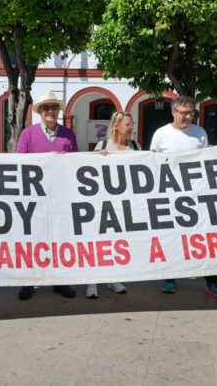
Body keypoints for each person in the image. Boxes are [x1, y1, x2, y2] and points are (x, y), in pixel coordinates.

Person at [150, 96, 217, 299]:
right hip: (171, 196)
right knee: (173, 239)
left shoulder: (199, 133)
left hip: (197, 196)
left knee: (205, 240)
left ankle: (212, 282)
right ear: (173, 112)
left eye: (191, 113)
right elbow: (152, 165)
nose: (188, 116)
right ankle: (170, 277)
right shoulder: (161, 134)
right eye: (184, 113)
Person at [16, 92, 77, 301]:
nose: (50, 111)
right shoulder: (28, 134)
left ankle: (59, 281)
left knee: (59, 238)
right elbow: (19, 165)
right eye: (46, 108)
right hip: (35, 196)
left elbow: (77, 164)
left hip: (60, 195)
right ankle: (28, 281)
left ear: (58, 111)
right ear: (40, 112)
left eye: (54, 107)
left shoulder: (69, 135)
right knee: (33, 239)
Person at [85, 111, 138, 298]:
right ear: (116, 126)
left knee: (117, 242)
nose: (132, 128)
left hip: (124, 203)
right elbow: (89, 172)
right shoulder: (104, 145)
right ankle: (92, 282)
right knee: (98, 241)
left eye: (132, 124)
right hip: (103, 203)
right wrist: (97, 157)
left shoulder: (135, 146)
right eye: (128, 124)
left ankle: (113, 278)